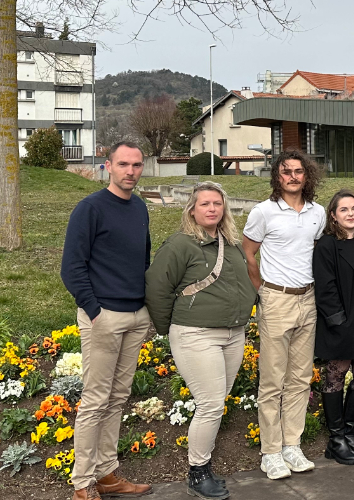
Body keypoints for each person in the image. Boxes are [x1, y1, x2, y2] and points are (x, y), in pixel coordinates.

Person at [145, 182, 257, 498]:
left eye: (217, 204)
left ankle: (202, 467)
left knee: (216, 402)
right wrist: (170, 328)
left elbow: (244, 280)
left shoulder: (231, 243)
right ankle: (197, 472)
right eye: (205, 203)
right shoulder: (181, 245)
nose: (212, 209)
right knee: (209, 404)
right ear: (192, 209)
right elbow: (157, 287)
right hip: (196, 334)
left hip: (233, 334)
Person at [61, 142, 154, 500]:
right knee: (96, 400)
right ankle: (83, 483)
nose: (130, 171)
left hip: (135, 316)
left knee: (117, 398)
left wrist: (145, 310)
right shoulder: (90, 209)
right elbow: (72, 267)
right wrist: (94, 311)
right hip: (104, 316)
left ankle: (107, 473)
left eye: (136, 165)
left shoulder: (140, 208)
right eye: (123, 164)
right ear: (108, 166)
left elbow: (141, 262)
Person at [243, 149, 325, 479]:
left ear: (308, 176)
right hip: (276, 301)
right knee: (273, 381)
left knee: (300, 379)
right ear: (277, 177)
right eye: (286, 171)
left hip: (309, 300)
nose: (292, 176)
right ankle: (271, 452)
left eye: (298, 171)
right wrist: (262, 290)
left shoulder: (317, 213)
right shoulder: (264, 212)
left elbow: (316, 250)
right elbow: (248, 254)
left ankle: (292, 445)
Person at [312, 190, 354, 466]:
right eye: (344, 210)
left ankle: (349, 432)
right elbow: (325, 287)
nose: (350, 214)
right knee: (336, 376)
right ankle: (336, 438)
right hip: (342, 320)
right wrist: (337, 321)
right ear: (333, 215)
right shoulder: (327, 245)